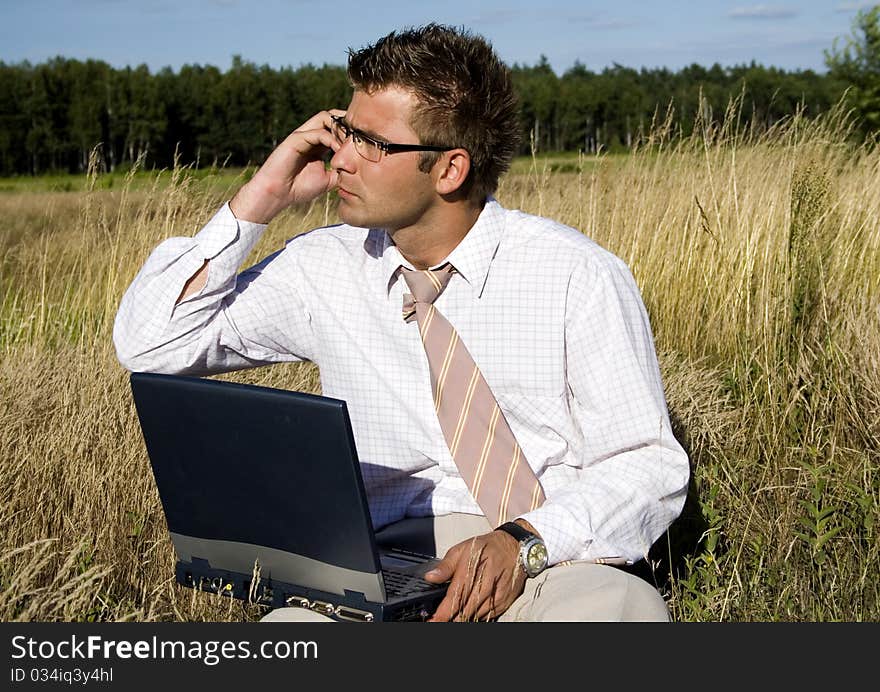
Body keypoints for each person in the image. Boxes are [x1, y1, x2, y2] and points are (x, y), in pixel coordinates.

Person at [113, 24, 689, 622]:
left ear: (449, 169)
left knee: (617, 611)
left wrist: (525, 542)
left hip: (549, 559)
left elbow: (649, 463)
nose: (340, 159)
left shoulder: (577, 275)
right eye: (344, 134)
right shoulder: (324, 267)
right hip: (381, 565)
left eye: (371, 143)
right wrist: (263, 197)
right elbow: (150, 344)